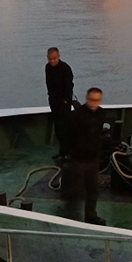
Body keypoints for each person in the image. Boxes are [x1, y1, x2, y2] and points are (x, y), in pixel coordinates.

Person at [65, 87, 106, 225]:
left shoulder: (101, 114)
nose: (94, 103)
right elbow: (69, 135)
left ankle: (91, 216)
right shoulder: (77, 115)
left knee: (92, 189)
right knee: (74, 189)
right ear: (87, 99)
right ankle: (69, 217)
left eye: (97, 100)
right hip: (78, 158)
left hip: (92, 158)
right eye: (92, 100)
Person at [45, 47, 74, 161]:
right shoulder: (47, 68)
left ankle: (68, 152)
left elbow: (69, 86)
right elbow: (48, 84)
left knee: (64, 128)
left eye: (54, 58)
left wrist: (66, 100)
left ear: (58, 57)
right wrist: (51, 96)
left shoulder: (65, 68)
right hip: (54, 101)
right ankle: (62, 152)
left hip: (64, 102)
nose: (52, 61)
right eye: (50, 59)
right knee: (57, 128)